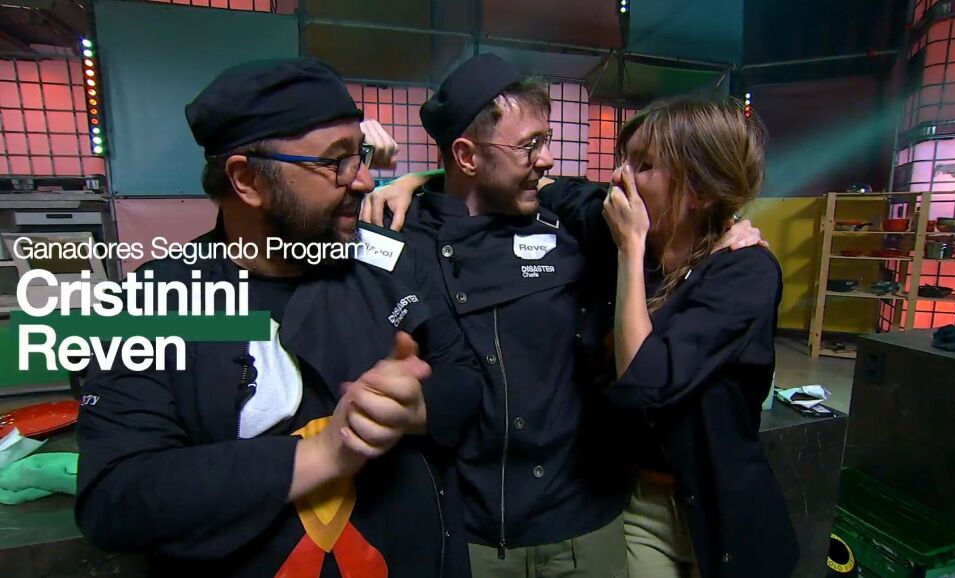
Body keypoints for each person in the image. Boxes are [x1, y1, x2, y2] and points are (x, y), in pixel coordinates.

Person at [75, 58, 485, 578]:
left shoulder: (396, 264)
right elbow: (115, 497)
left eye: (359, 154)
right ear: (248, 179)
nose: (363, 180)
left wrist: (415, 407)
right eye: (335, 161)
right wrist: (323, 454)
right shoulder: (154, 305)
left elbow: (466, 379)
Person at [359, 53, 764, 578]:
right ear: (466, 156)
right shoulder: (398, 232)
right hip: (475, 530)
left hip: (587, 523)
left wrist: (729, 224)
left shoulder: (577, 223)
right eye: (530, 145)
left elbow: (671, 218)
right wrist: (401, 178)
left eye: (546, 141)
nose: (548, 159)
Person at [601, 98, 799, 578]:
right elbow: (553, 191)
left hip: (723, 511)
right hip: (639, 506)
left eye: (644, 165)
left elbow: (645, 384)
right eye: (624, 160)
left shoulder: (744, 272)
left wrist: (630, 249)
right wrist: (428, 181)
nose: (621, 177)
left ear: (703, 192)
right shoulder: (633, 247)